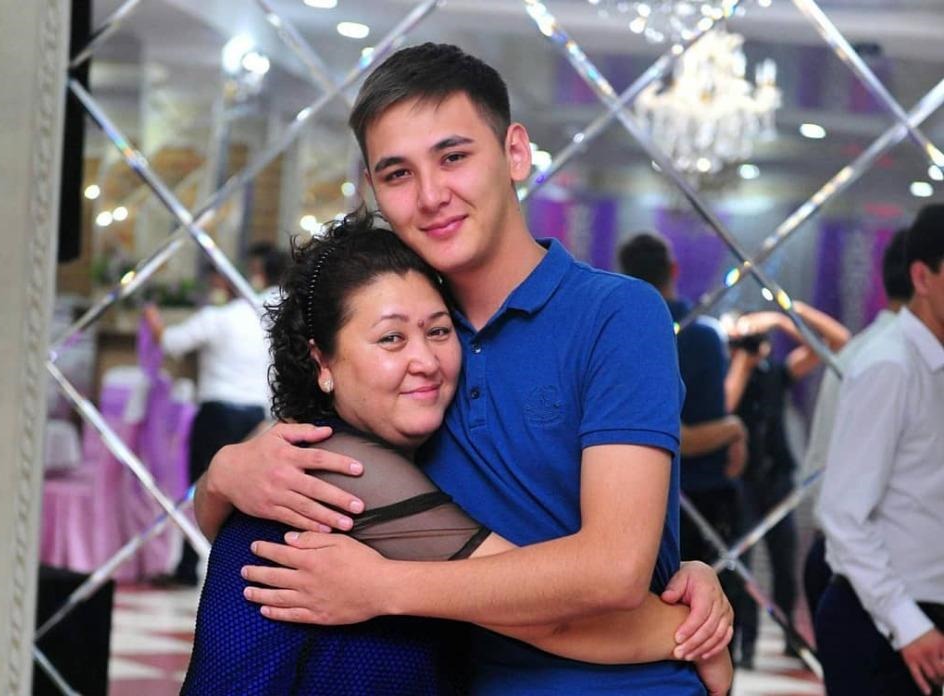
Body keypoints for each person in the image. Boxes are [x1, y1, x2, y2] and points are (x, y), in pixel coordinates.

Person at [198, 43, 733, 694]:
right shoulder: (402, 342)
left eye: (453, 157)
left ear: (515, 153)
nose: (432, 196)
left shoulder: (615, 314)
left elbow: (614, 571)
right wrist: (222, 476)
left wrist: (385, 586)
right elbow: (299, 484)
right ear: (373, 189)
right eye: (398, 174)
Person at [816, 204, 944, 696]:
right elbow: (842, 514)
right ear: (922, 277)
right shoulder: (889, 364)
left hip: (916, 613)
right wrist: (907, 623)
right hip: (882, 620)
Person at [618, 231, 751, 660]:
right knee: (710, 629)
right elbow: (686, 436)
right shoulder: (702, 335)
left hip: (639, 503)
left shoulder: (620, 334)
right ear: (673, 270)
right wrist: (735, 428)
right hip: (703, 498)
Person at [723, 299, 850, 663]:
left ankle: (790, 637)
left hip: (778, 479)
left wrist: (780, 319)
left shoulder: (777, 374)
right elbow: (726, 404)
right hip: (741, 483)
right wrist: (741, 361)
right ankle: (744, 645)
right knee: (741, 567)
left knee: (785, 564)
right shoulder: (727, 374)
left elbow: (835, 343)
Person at [801, 227, 913, 627]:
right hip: (871, 571)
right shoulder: (897, 361)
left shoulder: (860, 349)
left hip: (844, 560)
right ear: (924, 278)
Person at [143, 266, 271, 585]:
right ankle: (244, 568)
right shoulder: (265, 319)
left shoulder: (217, 318)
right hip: (257, 416)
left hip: (218, 414)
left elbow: (170, 342)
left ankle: (189, 566)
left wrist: (151, 317)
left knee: (202, 489)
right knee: (249, 495)